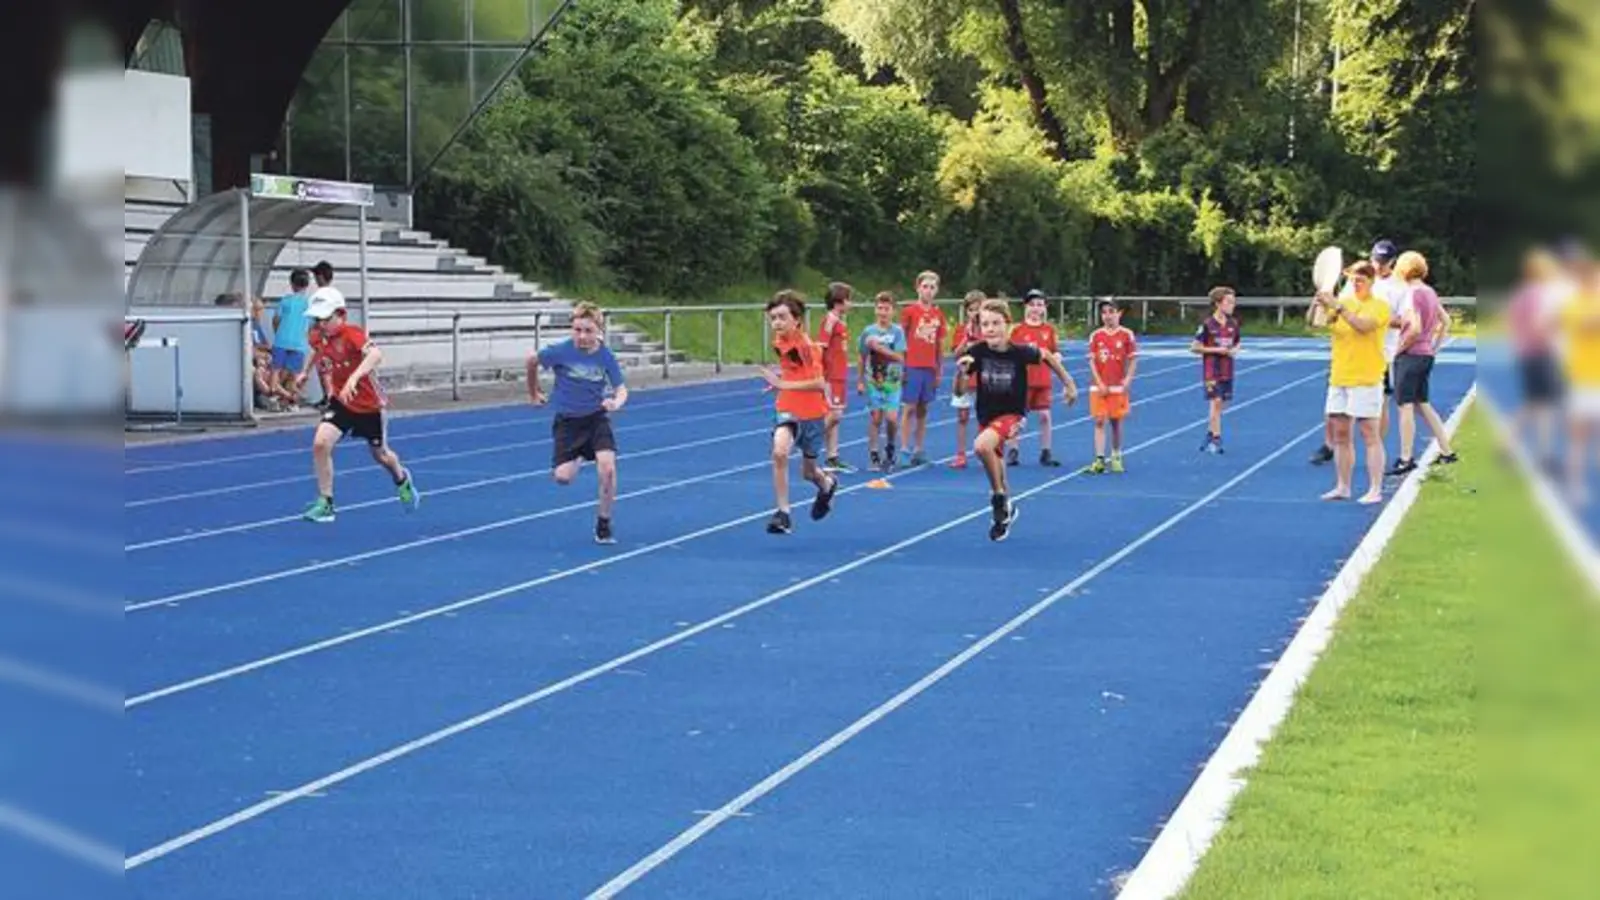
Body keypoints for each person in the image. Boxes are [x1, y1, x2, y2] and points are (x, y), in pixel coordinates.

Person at [955, 299, 1078, 541]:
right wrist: (962, 371)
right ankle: (1005, 512)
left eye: (996, 323)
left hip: (1011, 414)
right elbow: (960, 391)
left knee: (981, 446)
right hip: (986, 415)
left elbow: (1048, 357)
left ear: (1008, 325)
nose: (990, 329)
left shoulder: (1020, 352)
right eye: (985, 324)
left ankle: (998, 498)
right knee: (997, 467)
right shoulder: (976, 352)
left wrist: (1069, 383)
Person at [295, 287, 420, 522]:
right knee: (321, 443)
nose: (321, 324)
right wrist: (305, 372)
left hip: (368, 405)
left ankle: (401, 478)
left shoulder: (352, 334)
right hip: (342, 401)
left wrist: (354, 377)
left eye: (325, 319)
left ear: (340, 314)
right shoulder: (318, 335)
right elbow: (318, 351)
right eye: (317, 319)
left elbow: (375, 355)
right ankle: (326, 502)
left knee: (381, 455)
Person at [527, 301, 629, 544]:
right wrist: (533, 392)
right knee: (563, 478)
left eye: (588, 331)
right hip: (568, 422)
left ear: (598, 332)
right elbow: (532, 360)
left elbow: (622, 389)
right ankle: (582, 453)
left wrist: (615, 402)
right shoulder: (561, 351)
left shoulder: (605, 356)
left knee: (608, 469)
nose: (582, 336)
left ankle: (603, 523)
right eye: (577, 330)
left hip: (596, 419)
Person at [1312, 260, 1392, 504]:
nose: (1356, 284)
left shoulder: (1379, 306)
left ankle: (1375, 489)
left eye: (1361, 280)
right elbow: (1316, 324)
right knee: (1340, 434)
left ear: (1371, 281)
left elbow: (1363, 327)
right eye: (1352, 279)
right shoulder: (1343, 303)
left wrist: (1337, 307)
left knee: (1369, 433)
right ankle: (1342, 486)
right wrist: (1318, 302)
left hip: (1366, 378)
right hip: (1340, 376)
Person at [762, 290, 840, 534]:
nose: (776, 323)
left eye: (782, 317)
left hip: (812, 412)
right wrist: (781, 382)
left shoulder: (807, 346)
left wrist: (783, 384)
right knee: (779, 452)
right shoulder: (779, 341)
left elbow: (818, 382)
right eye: (773, 318)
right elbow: (792, 369)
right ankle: (783, 513)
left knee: (808, 472)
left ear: (797, 320)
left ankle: (826, 484)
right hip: (787, 407)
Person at [1387, 251, 1459, 476]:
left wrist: (1398, 350)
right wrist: (1434, 347)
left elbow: (1415, 328)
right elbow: (1445, 321)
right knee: (1422, 403)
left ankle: (1406, 458)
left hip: (1410, 355)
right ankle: (1447, 451)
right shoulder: (1429, 291)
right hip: (1425, 354)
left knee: (1405, 406)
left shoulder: (1411, 293)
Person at [1007, 289, 1063, 466]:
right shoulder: (1018, 330)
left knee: (1045, 416)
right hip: (1023, 381)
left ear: (1044, 308)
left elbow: (1055, 351)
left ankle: (1046, 451)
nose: (1035, 309)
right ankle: (1013, 450)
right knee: (1017, 416)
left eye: (1039, 305)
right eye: (1032, 305)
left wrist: (1057, 357)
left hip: (1043, 380)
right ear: (1026, 307)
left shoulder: (1049, 330)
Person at [898, 270, 948, 466]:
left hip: (929, 366)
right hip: (912, 365)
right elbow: (901, 338)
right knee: (908, 407)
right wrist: (901, 365)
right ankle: (904, 448)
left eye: (932, 287)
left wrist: (939, 368)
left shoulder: (938, 315)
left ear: (936, 291)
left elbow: (940, 344)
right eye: (925, 286)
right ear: (918, 288)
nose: (928, 291)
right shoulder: (910, 312)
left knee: (923, 409)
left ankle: (919, 448)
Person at [1085, 300, 1139, 474]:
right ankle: (1099, 458)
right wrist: (1099, 382)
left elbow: (1133, 359)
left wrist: (1128, 379)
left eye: (1111, 311)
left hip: (1117, 386)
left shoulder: (1126, 335)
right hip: (1099, 386)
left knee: (1115, 422)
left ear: (1119, 313)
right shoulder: (1096, 336)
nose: (1108, 316)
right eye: (1104, 312)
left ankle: (1116, 455)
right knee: (1099, 420)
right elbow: (1092, 361)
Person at [857, 291, 908, 471]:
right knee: (876, 417)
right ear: (875, 310)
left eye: (886, 309)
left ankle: (891, 446)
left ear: (893, 311)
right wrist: (861, 380)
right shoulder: (868, 332)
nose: (883, 312)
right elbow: (862, 357)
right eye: (879, 308)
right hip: (874, 381)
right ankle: (873, 453)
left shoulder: (897, 332)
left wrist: (880, 348)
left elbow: (900, 357)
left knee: (892, 418)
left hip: (892, 382)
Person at [1191, 286, 1242, 454]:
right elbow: (1195, 347)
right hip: (1212, 370)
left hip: (1228, 369)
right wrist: (1215, 350)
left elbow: (1237, 342)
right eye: (1229, 302)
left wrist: (1235, 350)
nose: (1232, 305)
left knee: (1222, 405)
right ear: (1219, 304)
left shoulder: (1233, 324)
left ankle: (1210, 431)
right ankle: (1216, 438)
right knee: (1216, 401)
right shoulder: (1207, 324)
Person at [816, 282, 855, 473]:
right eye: (849, 299)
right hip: (831, 375)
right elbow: (821, 346)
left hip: (840, 374)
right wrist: (821, 373)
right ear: (839, 302)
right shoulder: (830, 321)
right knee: (833, 414)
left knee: (837, 416)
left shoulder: (840, 321)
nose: (851, 304)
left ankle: (832, 456)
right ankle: (811, 443)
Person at [948, 290, 986, 469]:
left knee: (984, 416)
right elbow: (955, 353)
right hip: (964, 377)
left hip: (983, 377)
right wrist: (966, 342)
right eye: (972, 310)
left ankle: (984, 451)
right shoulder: (961, 330)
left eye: (979, 309)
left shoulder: (989, 328)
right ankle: (961, 454)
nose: (975, 314)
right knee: (962, 416)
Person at [272, 268, 313, 406]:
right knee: (294, 375)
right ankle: (292, 400)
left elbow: (276, 319)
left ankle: (276, 397)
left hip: (281, 341)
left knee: (276, 372)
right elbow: (312, 325)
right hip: (299, 343)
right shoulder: (309, 304)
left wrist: (278, 333)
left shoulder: (285, 300)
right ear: (307, 285)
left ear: (291, 284)